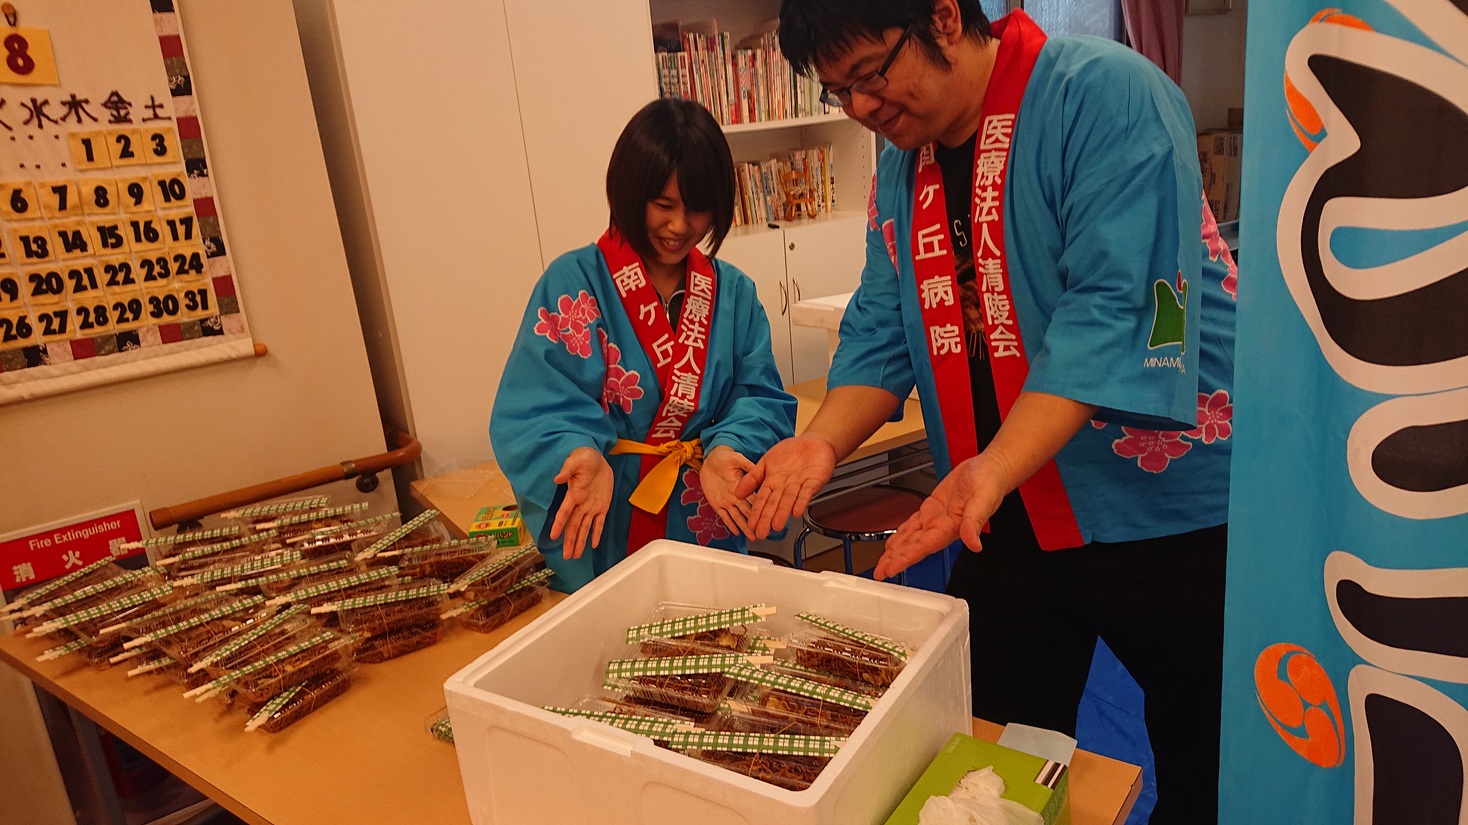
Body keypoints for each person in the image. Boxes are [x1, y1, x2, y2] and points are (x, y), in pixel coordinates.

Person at [738, 2, 1238, 821]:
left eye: (870, 74)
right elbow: (882, 322)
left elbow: (1113, 309)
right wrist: (821, 443)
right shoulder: (904, 164)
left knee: (1203, 748)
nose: (862, 106)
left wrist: (993, 468)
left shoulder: (1105, 94)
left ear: (942, 16)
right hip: (1000, 502)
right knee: (988, 750)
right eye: (841, 92)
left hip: (1163, 502)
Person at [491, 98, 796, 594]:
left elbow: (759, 393)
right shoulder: (574, 283)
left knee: (701, 647)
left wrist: (730, 447)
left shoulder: (734, 292)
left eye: (698, 209)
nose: (680, 227)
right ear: (630, 192)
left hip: (699, 508)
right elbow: (535, 403)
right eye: (664, 205)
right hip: (604, 508)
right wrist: (579, 453)